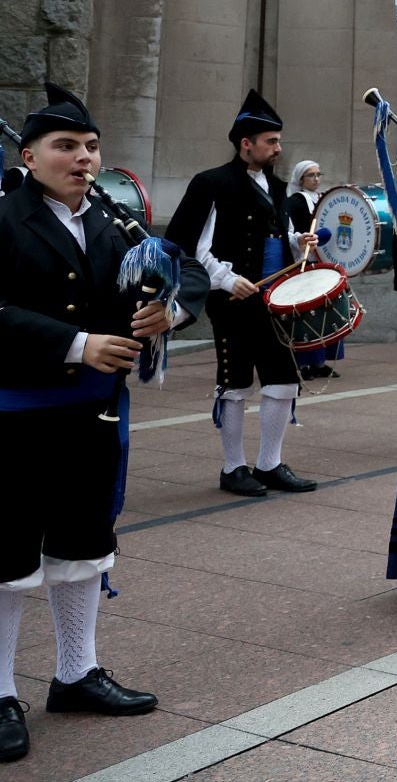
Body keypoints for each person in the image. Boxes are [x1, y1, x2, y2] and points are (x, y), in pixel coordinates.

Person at [0, 85, 212, 763]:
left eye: (91, 147)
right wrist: (76, 342)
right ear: (29, 155)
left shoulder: (116, 219)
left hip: (93, 412)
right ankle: (1, 690)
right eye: (67, 147)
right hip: (19, 414)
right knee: (8, 556)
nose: (84, 158)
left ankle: (75, 672)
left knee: (84, 543)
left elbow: (185, 272)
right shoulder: (5, 218)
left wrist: (169, 311)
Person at [166, 90, 320, 497]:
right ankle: (232, 468)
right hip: (231, 299)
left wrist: (297, 241)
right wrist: (226, 278)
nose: (278, 149)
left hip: (274, 299)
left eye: (279, 141)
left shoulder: (278, 186)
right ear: (245, 144)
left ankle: (269, 463)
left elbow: (277, 234)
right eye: (271, 142)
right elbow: (189, 243)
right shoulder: (211, 184)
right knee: (235, 383)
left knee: (284, 379)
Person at [285, 159, 344, 381]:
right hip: (304, 263)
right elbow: (293, 234)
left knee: (327, 313)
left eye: (319, 174)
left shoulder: (324, 199)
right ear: (301, 179)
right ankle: (304, 363)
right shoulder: (295, 201)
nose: (317, 179)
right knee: (307, 316)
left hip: (323, 263)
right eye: (311, 175)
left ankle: (321, 361)